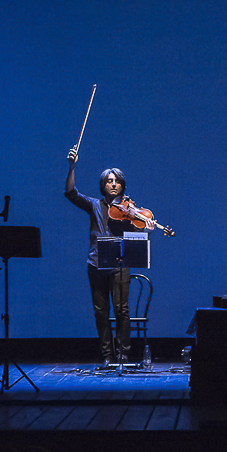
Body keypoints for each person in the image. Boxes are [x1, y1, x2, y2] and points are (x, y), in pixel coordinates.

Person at [65, 146, 155, 367]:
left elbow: (135, 231)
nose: (113, 184)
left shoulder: (128, 210)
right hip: (96, 263)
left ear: (123, 185)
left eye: (117, 181)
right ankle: (107, 356)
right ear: (103, 186)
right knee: (100, 313)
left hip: (120, 264)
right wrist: (72, 166)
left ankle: (123, 355)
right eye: (109, 181)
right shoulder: (94, 205)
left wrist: (145, 228)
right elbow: (70, 193)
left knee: (122, 310)